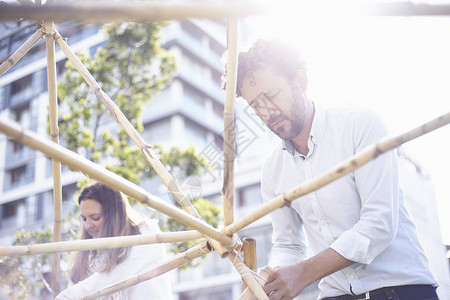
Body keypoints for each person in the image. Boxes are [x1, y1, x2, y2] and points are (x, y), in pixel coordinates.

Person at [222, 39, 439, 300]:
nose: (267, 112)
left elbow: (379, 223)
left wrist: (302, 273)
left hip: (401, 290)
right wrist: (272, 276)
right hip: (336, 295)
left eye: (272, 95)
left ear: (300, 82)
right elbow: (288, 243)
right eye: (255, 105)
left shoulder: (361, 126)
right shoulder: (272, 170)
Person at [56, 182, 173, 300]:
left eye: (95, 217)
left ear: (113, 215)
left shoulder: (145, 233)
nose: (87, 226)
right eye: (84, 219)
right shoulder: (90, 254)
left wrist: (67, 296)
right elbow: (75, 286)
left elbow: (117, 276)